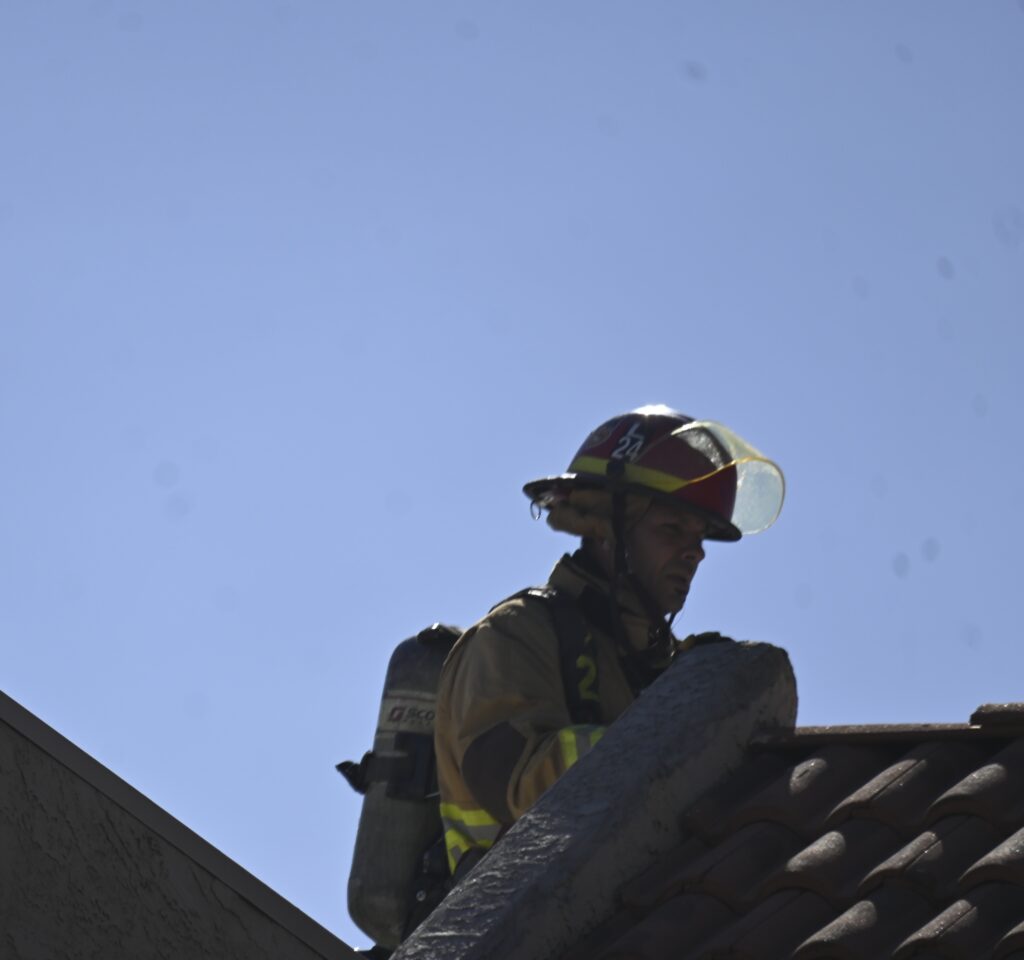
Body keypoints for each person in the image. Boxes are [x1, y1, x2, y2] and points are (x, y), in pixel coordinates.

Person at [433, 405, 784, 879]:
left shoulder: (660, 664)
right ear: (604, 529)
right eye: (672, 528)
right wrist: (667, 733)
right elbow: (519, 785)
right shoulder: (514, 636)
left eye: (701, 536)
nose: (694, 553)